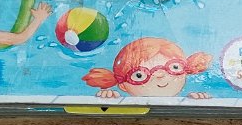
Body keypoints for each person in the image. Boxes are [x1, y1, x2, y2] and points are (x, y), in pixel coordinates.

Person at [83, 37, 211, 100]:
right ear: (122, 85)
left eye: (174, 67)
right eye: (139, 75)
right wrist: (108, 99)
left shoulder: (186, 99)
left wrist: (194, 101)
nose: (160, 75)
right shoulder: (123, 99)